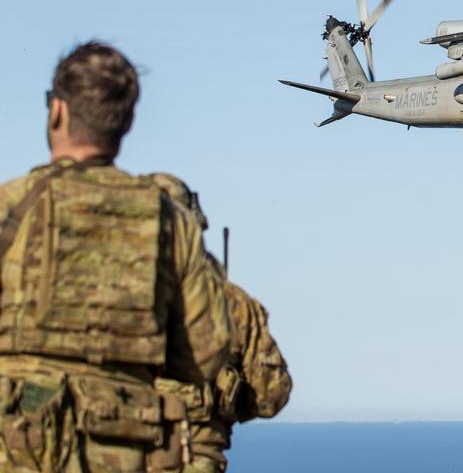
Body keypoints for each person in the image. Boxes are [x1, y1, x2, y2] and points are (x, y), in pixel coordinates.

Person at [0, 42, 231, 472]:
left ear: (57, 111)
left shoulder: (10, 208)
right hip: (124, 448)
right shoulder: (171, 222)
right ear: (125, 123)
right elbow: (206, 354)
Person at [149, 174, 292, 473]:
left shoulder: (106, 299)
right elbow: (272, 396)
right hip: (195, 459)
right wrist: (226, 401)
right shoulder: (232, 303)